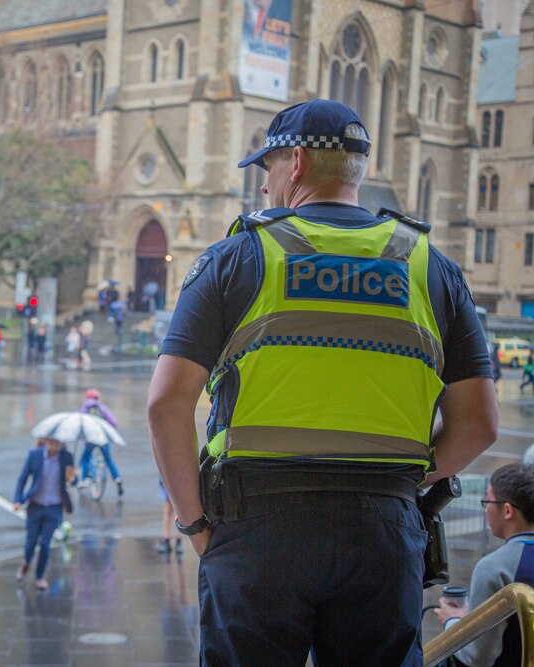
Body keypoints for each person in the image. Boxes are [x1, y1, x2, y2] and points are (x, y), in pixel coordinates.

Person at [147, 99, 498, 665]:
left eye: (269, 169)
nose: (265, 189)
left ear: (299, 162)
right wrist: (405, 482)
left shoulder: (235, 258)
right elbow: (480, 423)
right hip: (382, 528)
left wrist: (195, 525)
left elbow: (166, 405)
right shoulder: (433, 268)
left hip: (256, 525)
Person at [434, 463, 534, 667]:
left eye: (487, 501)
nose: (486, 508)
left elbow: (477, 657)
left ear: (507, 510)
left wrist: (452, 622)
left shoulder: (495, 567)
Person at [13, 437, 75, 591]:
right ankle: (26, 562)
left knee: (46, 545)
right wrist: (18, 499)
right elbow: (23, 478)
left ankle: (39, 577)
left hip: (54, 508)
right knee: (30, 543)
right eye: (52, 443)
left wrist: (71, 478)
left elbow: (72, 480)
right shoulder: (35, 455)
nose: (54, 447)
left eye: (58, 444)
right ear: (46, 442)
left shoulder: (66, 458)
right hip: (35, 506)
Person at [76, 388, 123, 496]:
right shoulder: (102, 408)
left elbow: (76, 422)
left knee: (85, 457)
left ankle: (86, 478)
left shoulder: (83, 409)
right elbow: (114, 423)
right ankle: (117, 478)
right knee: (109, 459)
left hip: (90, 439)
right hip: (103, 439)